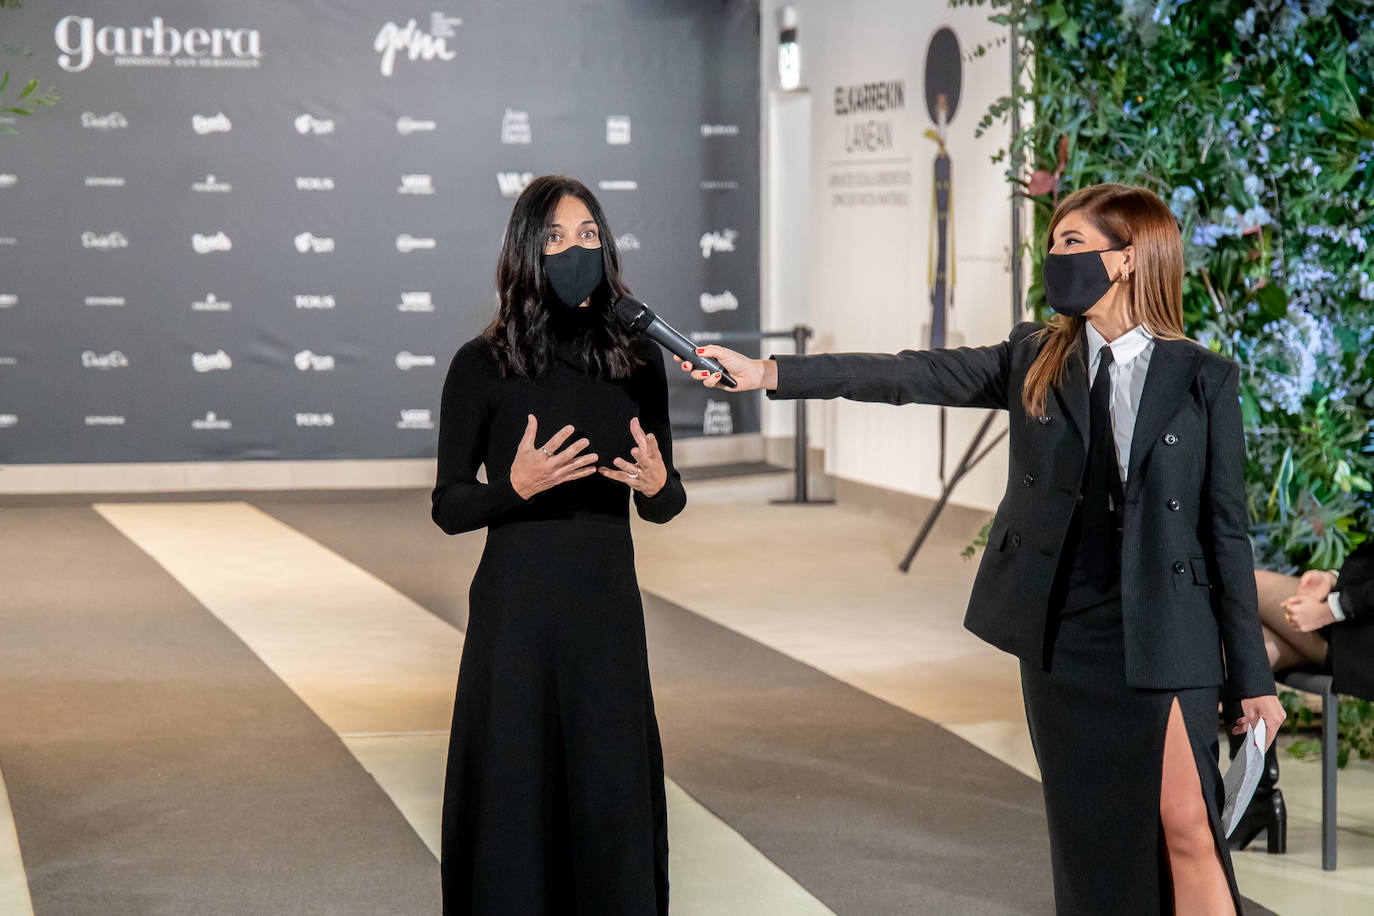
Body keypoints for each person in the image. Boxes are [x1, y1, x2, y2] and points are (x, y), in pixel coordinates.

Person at [685, 183, 1285, 915]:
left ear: (1128, 259)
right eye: (1054, 243)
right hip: (1065, 640)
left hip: (1167, 636)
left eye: (1073, 244)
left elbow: (1226, 532)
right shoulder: (1035, 354)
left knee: (1188, 827)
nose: (1055, 258)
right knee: (1090, 840)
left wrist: (1253, 681)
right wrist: (769, 372)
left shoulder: (1202, 376)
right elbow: (911, 373)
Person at [431, 175, 685, 915]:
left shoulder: (637, 360)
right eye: (555, 238)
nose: (575, 249)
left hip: (606, 611)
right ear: (526, 252)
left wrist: (656, 483)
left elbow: (666, 505)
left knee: (608, 784)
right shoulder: (482, 365)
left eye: (587, 234)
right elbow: (449, 506)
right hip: (517, 614)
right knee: (517, 783)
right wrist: (518, 487)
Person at [1230, 543, 1374, 850]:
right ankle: (1254, 799)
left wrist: (1332, 608)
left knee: (1241, 586)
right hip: (1358, 613)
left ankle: (1256, 800)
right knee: (1244, 648)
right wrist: (1332, 578)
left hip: (1360, 632)